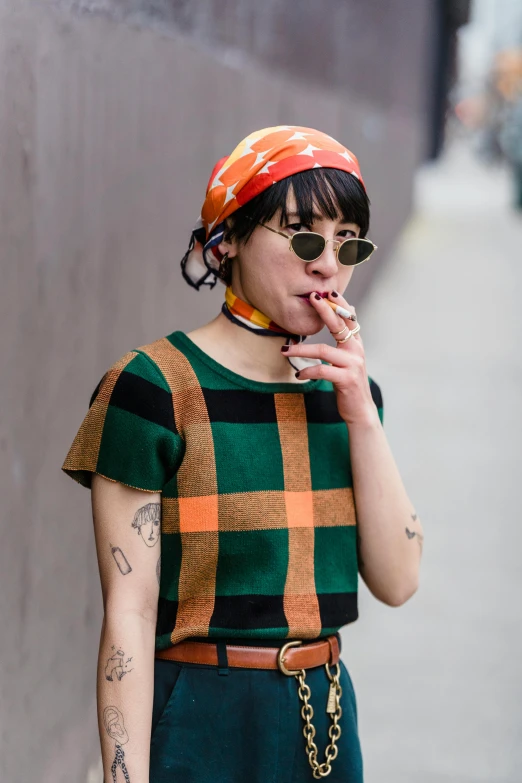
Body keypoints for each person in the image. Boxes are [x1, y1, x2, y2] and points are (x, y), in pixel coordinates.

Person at [62, 125, 424, 783]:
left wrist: (361, 417)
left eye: (349, 241)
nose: (328, 265)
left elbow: (398, 581)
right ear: (226, 241)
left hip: (325, 723)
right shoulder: (153, 387)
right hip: (199, 721)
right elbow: (130, 612)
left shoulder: (350, 397)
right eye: (305, 235)